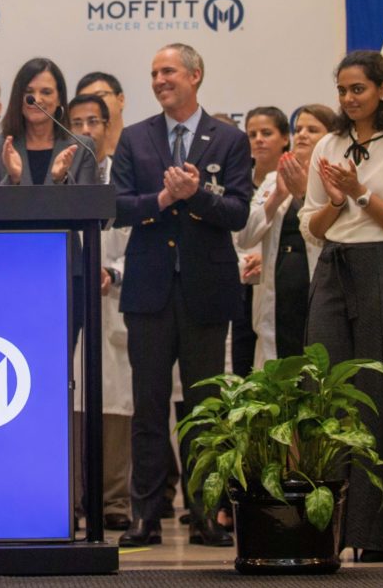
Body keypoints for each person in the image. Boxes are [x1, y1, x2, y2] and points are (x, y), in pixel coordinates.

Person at [112, 42, 251, 548]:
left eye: (168, 71)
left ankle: (206, 512)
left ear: (196, 75)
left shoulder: (229, 139)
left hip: (206, 291)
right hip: (149, 291)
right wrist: (164, 198)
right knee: (148, 407)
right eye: (153, 73)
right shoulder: (135, 137)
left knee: (204, 407)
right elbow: (118, 207)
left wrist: (199, 197)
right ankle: (145, 516)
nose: (159, 80)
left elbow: (238, 212)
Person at [301, 50, 383, 562]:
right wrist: (336, 201)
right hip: (334, 267)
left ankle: (380, 535)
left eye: (358, 89)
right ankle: (327, 530)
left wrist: (358, 193)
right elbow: (311, 227)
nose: (349, 99)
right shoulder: (329, 144)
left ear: (382, 89)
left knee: (381, 395)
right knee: (326, 391)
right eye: (342, 90)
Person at [68, 93, 133, 532]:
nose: (87, 130)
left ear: (110, 126)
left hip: (114, 298)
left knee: (115, 402)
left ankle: (114, 501)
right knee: (69, 401)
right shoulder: (62, 176)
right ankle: (69, 497)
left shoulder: (124, 175)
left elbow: (138, 239)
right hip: (68, 299)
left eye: (94, 121)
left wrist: (113, 271)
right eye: (77, 122)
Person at [236, 104, 334, 367]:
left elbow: (333, 233)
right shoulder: (271, 179)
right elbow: (244, 237)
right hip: (278, 291)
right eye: (298, 128)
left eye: (312, 129)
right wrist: (278, 195)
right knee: (277, 367)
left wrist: (302, 193)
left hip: (318, 286)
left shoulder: (337, 178)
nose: (302, 134)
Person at [0, 58, 97, 187]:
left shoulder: (82, 148)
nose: (36, 99)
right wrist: (13, 179)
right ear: (18, 97)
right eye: (29, 92)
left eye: (46, 92)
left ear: (59, 99)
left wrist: (61, 179)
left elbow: (86, 204)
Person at [75, 72, 126, 157]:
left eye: (99, 96)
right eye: (85, 100)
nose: (91, 105)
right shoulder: (73, 158)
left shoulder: (139, 145)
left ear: (121, 100)